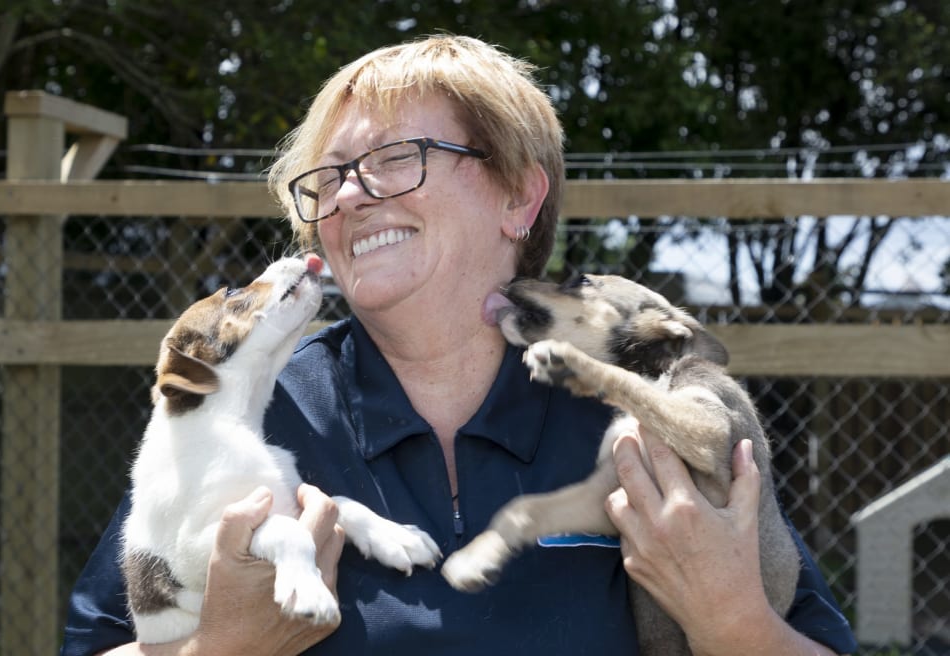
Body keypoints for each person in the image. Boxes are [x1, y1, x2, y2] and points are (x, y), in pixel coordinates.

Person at [60, 35, 858, 656]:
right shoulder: (252, 410)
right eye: (327, 177)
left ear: (519, 195)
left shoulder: (630, 410)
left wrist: (733, 621)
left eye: (394, 160)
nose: (346, 197)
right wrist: (221, 648)